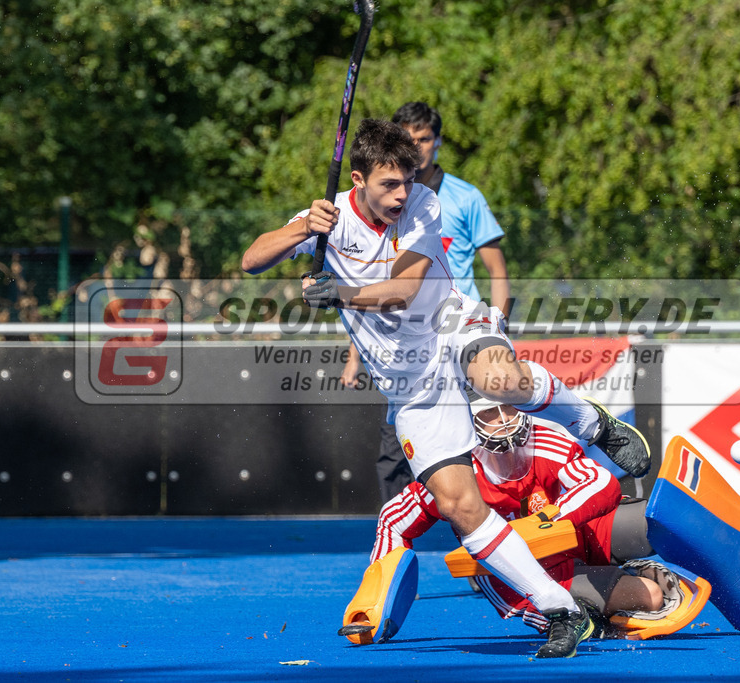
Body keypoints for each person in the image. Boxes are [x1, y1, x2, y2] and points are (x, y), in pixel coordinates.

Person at [240, 118, 650, 658]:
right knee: (458, 505)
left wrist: (337, 291)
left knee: (498, 379)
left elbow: (404, 290)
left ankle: (591, 422)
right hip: (410, 385)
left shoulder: (422, 206)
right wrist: (302, 230)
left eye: (407, 180)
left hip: (450, 326)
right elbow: (251, 260)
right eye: (389, 183)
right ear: (358, 179)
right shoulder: (328, 216)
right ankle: (561, 610)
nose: (401, 193)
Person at [371, 397, 671, 636]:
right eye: (490, 411)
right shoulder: (450, 474)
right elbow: (393, 520)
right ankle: (596, 604)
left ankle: (629, 572)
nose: (505, 419)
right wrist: (377, 600)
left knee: (660, 522)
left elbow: (601, 482)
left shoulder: (544, 440)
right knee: (652, 596)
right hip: (533, 575)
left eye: (508, 406)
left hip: (576, 535)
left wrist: (549, 520)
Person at [340, 102, 512, 503]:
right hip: (406, 348)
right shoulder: (379, 205)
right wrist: (353, 354)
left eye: (424, 139)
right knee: (395, 456)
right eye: (409, 139)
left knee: (492, 445)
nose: (417, 147)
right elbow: (372, 290)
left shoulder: (464, 198)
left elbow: (497, 270)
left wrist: (498, 326)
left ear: (438, 142)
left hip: (459, 332)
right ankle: (398, 533)